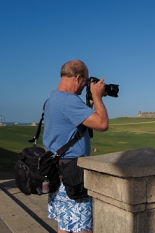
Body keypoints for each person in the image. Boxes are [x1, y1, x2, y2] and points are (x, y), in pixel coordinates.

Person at [43, 60, 108, 233]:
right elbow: (101, 124)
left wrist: (90, 104)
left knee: (65, 227)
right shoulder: (69, 101)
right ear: (78, 77)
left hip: (58, 174)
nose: (86, 86)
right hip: (73, 176)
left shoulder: (52, 99)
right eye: (86, 82)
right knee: (83, 229)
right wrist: (97, 96)